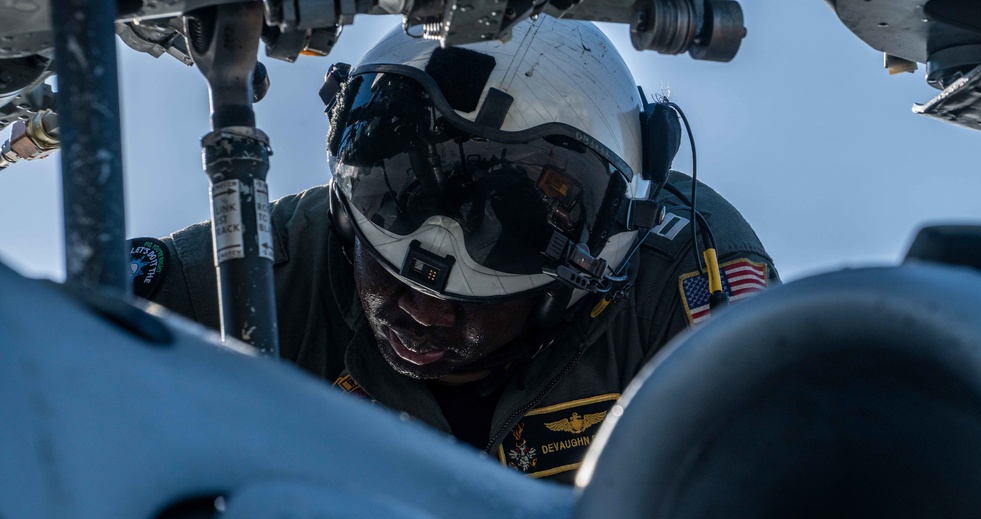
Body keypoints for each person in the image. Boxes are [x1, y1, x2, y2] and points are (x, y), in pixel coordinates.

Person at [130, 16, 779, 484]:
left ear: (575, 286)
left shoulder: (685, 277)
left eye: (464, 301)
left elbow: (791, 465)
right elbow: (76, 331)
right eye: (386, 273)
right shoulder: (270, 265)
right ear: (347, 224)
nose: (419, 311)